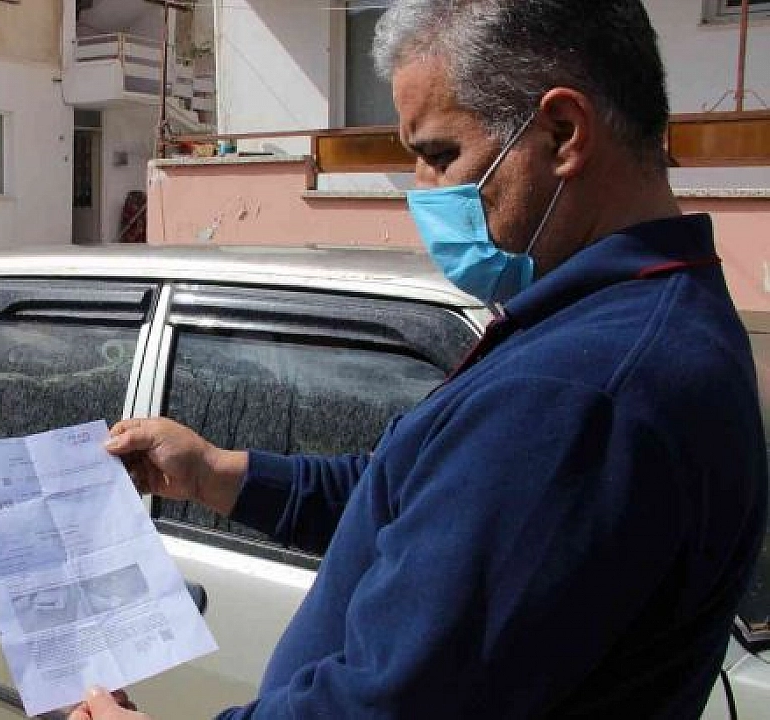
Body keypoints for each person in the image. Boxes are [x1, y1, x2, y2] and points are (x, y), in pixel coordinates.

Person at [69, 0, 768, 718]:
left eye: (439, 155)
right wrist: (218, 473)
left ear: (563, 133)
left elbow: (386, 706)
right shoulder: (635, 321)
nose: (423, 193)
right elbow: (413, 499)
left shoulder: (576, 392)